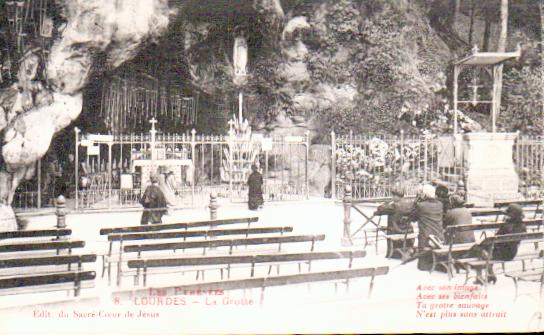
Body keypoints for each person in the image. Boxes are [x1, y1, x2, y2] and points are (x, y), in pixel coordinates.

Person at [469, 203, 527, 284]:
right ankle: (490, 273)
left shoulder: (507, 226)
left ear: (511, 215)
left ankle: (480, 276)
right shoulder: (523, 226)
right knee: (485, 251)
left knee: (478, 250)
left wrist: (483, 244)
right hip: (512, 253)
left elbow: (496, 239)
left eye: (508, 214)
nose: (506, 215)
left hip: (501, 253)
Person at [410, 184, 445, 271]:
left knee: (421, 267)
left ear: (424, 194)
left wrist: (417, 200)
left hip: (426, 239)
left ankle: (425, 264)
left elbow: (412, 217)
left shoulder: (421, 205)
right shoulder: (440, 204)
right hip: (438, 237)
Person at [374, 186, 415, 259]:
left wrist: (386, 203)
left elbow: (380, 209)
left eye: (393, 195)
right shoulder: (409, 203)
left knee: (389, 229)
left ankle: (392, 253)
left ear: (397, 196)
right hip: (408, 230)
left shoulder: (394, 205)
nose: (392, 197)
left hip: (396, 231)